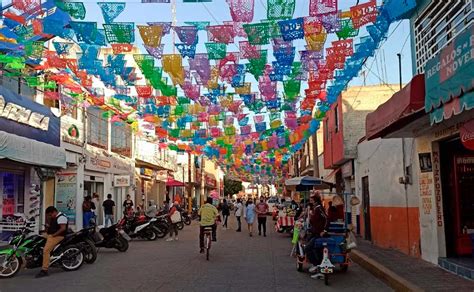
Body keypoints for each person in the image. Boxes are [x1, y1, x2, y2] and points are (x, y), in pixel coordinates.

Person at [36, 206, 68, 278]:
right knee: (37, 238)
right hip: (50, 234)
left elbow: (63, 228)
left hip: (58, 236)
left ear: (54, 212)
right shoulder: (55, 217)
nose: (50, 216)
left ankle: (44, 269)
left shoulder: (61, 217)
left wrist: (54, 235)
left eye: (50, 215)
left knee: (46, 251)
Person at [305, 194, 328, 279]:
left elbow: (326, 218)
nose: (310, 201)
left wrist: (324, 230)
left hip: (319, 234)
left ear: (315, 200)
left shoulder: (319, 208)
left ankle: (316, 265)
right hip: (315, 233)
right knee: (316, 250)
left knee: (307, 248)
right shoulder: (315, 209)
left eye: (311, 200)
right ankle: (319, 268)